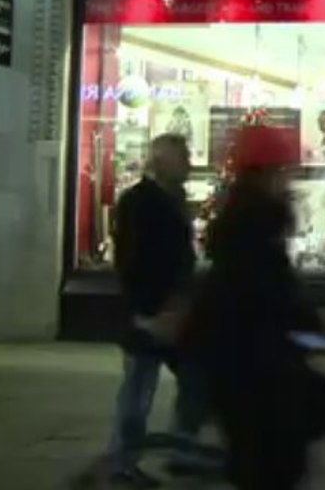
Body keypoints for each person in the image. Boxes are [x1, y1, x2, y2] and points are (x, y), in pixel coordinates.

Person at [184, 125, 325, 489]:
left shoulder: (243, 223)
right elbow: (271, 298)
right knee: (273, 463)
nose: (289, 181)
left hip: (239, 367)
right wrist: (318, 324)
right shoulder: (256, 228)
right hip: (255, 374)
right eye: (285, 171)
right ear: (266, 174)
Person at [105, 134, 214, 488]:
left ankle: (179, 451)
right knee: (139, 389)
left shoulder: (173, 198)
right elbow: (131, 261)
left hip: (176, 310)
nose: (189, 164)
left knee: (194, 379)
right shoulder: (140, 202)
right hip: (151, 312)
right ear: (162, 161)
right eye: (182, 157)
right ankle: (123, 461)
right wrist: (145, 311)